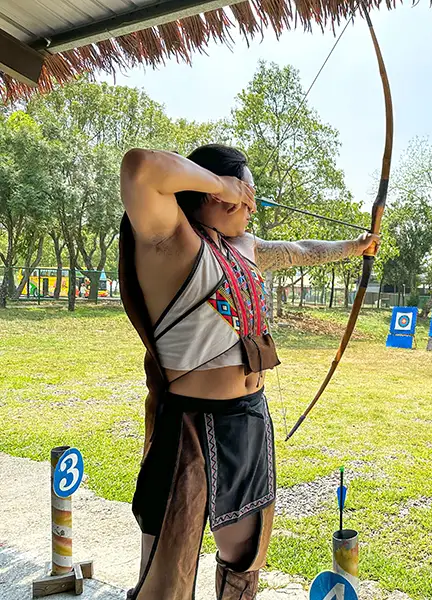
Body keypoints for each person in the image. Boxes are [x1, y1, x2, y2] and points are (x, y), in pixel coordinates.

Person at [118, 144, 378, 600]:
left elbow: (301, 251)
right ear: (207, 190)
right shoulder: (168, 238)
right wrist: (221, 182)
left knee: (245, 555)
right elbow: (139, 168)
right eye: (244, 191)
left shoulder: (243, 246)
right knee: (168, 576)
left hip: (248, 418)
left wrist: (356, 247)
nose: (252, 203)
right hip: (189, 427)